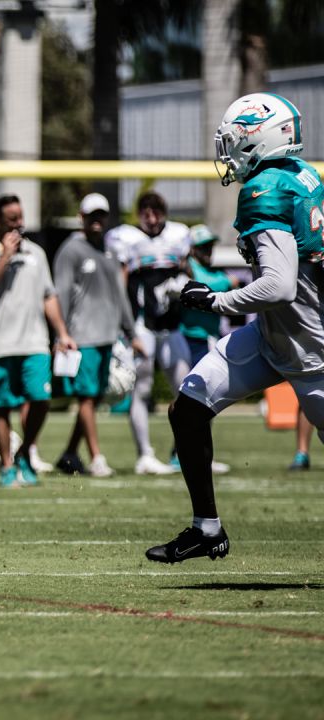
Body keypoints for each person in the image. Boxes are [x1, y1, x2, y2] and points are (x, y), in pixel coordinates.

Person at [148, 93, 324, 563]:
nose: (227, 153)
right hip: (273, 340)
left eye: (232, 141)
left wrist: (216, 301)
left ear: (256, 137)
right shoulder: (301, 175)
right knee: (188, 407)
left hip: (314, 355)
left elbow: (280, 286)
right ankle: (207, 528)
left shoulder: (265, 188)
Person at [0, 194, 76, 488]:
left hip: (34, 342)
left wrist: (62, 333)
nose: (19, 224)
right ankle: (7, 465)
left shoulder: (37, 254)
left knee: (40, 399)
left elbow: (48, 295)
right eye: (12, 219)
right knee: (1, 407)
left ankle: (26, 451)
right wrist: (5, 256)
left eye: (20, 218)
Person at [105, 191, 193, 475]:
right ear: (139, 214)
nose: (152, 218)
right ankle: (144, 455)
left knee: (189, 389)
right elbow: (121, 285)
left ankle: (184, 451)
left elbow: (188, 270)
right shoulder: (127, 239)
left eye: (157, 212)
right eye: (146, 212)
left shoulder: (179, 236)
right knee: (141, 390)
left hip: (172, 326)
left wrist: (183, 284)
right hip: (144, 326)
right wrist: (127, 329)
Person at [51, 193, 137, 477]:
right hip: (82, 337)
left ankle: (70, 453)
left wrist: (131, 331)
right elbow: (59, 294)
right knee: (86, 399)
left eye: (102, 215)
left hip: (107, 337)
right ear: (82, 217)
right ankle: (97, 457)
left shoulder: (110, 251)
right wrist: (60, 334)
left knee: (94, 398)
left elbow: (119, 294)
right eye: (92, 215)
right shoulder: (71, 250)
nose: (97, 220)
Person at [179, 224, 240, 366]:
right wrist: (227, 281)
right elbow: (198, 285)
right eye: (203, 247)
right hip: (191, 338)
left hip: (210, 337)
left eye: (210, 246)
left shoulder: (212, 271)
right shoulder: (187, 267)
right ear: (193, 249)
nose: (208, 251)